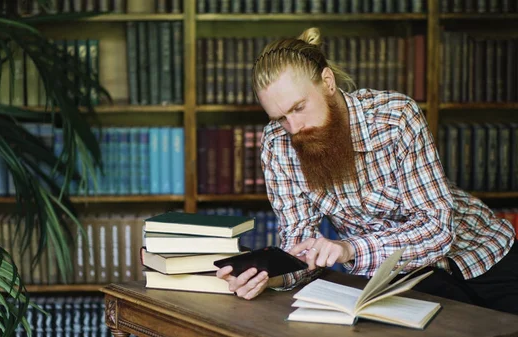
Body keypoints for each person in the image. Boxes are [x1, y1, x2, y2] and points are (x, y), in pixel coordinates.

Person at [216, 27, 518, 315]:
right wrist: (272, 277)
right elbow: (299, 244)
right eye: (280, 117)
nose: (294, 128)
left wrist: (348, 249)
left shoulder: (395, 117)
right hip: (406, 275)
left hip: (483, 255)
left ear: (328, 82)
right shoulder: (277, 144)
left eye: (298, 108)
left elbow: (437, 226)